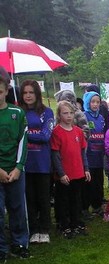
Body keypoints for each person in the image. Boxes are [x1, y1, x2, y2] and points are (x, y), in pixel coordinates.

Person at [19, 80, 54, 244]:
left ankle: (45, 229)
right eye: (25, 93)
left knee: (43, 197)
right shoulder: (18, 112)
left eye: (31, 92)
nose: (28, 96)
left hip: (42, 162)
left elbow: (45, 136)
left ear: (37, 94)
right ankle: (33, 229)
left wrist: (25, 134)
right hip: (25, 163)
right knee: (29, 198)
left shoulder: (47, 112)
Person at [50, 100, 91, 239]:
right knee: (63, 201)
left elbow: (82, 152)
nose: (68, 116)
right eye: (65, 113)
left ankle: (76, 222)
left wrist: (86, 169)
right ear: (59, 115)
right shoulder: (56, 132)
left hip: (78, 173)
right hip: (65, 174)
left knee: (76, 199)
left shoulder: (78, 131)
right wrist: (61, 173)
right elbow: (55, 155)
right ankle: (64, 225)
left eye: (71, 113)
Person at [0, 74, 29, 261]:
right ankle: (1, 248)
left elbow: (22, 141)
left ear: (6, 91)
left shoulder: (17, 113)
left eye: (0, 91)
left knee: (18, 208)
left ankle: (19, 243)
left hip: (16, 171)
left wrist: (18, 167)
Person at [83, 90, 106, 217]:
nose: (95, 104)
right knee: (88, 183)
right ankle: (85, 208)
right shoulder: (84, 116)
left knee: (99, 181)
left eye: (98, 102)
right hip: (89, 155)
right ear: (87, 102)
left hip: (99, 155)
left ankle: (97, 206)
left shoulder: (101, 117)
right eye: (93, 102)